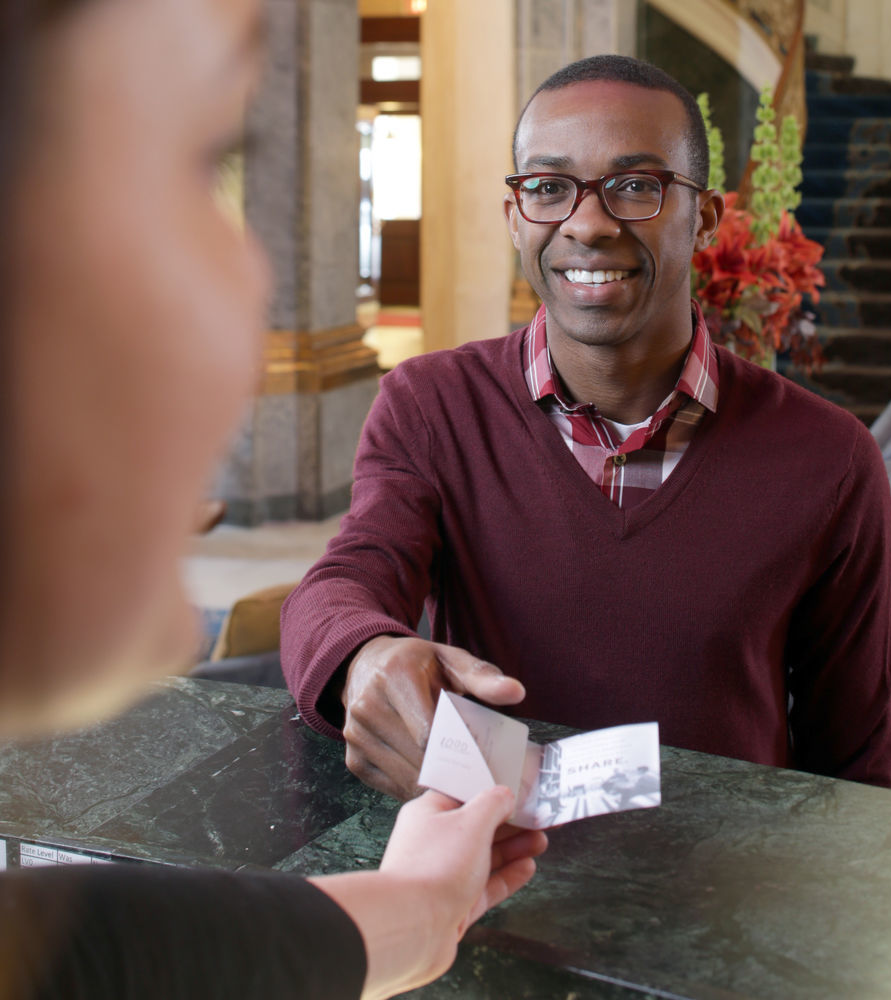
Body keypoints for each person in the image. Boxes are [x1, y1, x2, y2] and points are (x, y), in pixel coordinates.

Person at [0, 0, 546, 997]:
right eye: (196, 164)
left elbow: (91, 957)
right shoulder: (436, 401)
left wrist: (419, 908)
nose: (253, 280)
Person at [281, 54, 891, 801]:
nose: (588, 223)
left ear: (703, 219)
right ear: (516, 219)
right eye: (549, 188)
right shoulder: (431, 406)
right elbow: (346, 578)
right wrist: (365, 655)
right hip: (494, 883)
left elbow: (855, 763)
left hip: (728, 897)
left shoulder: (828, 459)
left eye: (636, 186)